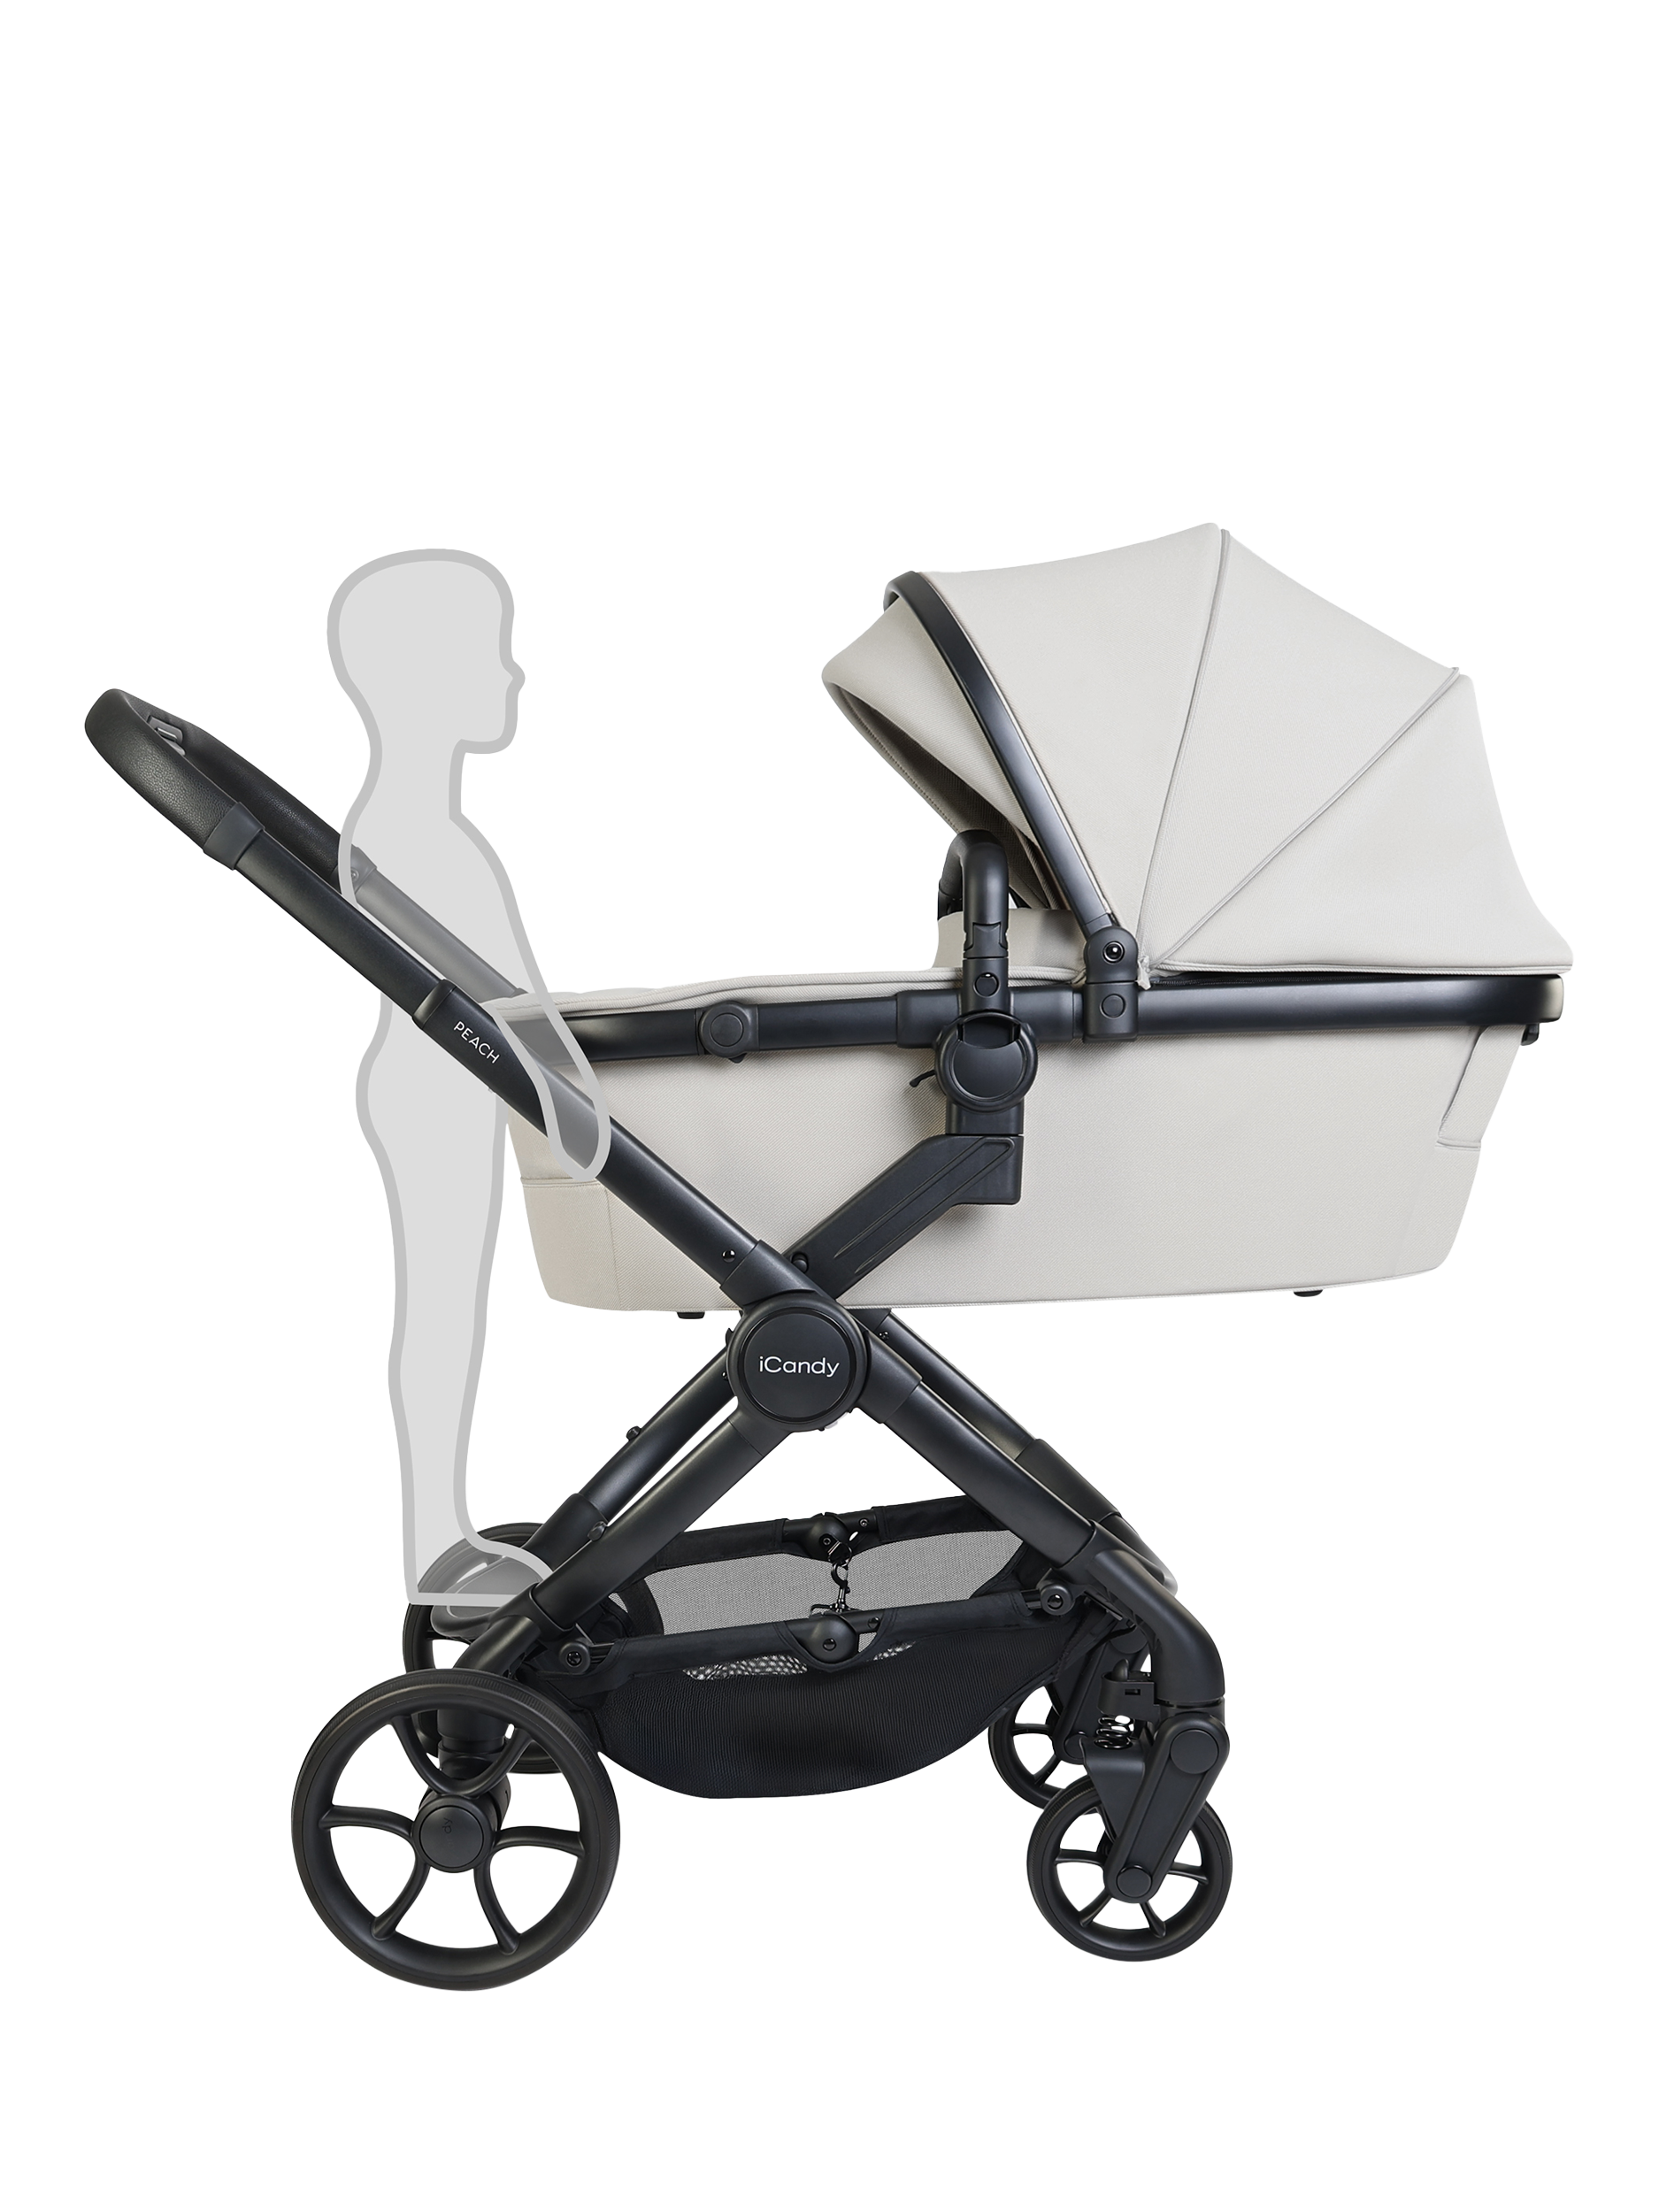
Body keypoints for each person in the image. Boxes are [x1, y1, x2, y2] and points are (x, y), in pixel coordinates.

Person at [330, 550, 607, 1603]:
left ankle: (438, 1531)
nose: (513, 673)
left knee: (444, 1313)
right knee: (441, 1314)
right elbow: (511, 1005)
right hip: (435, 1089)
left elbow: (512, 997)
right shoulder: (422, 839)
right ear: (421, 675)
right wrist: (588, 1112)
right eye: (491, 653)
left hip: (442, 1084)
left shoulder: (410, 830)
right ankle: (433, 1542)